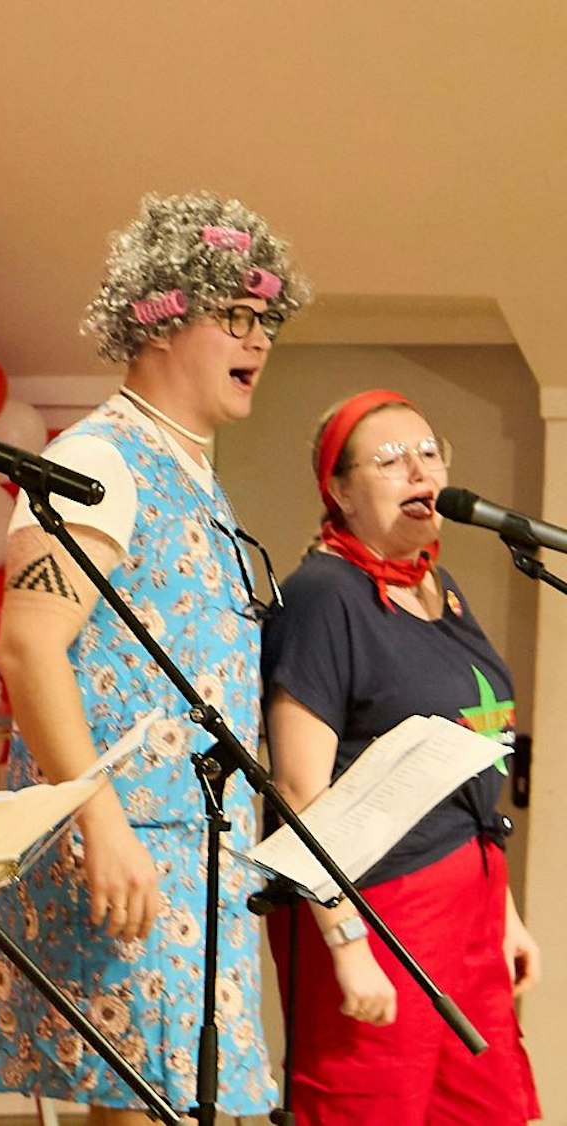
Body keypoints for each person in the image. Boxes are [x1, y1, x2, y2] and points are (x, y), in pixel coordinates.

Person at [0, 192, 308, 1123]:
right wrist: (103, 825)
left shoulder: (189, 470)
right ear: (161, 318)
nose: (261, 340)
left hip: (199, 855)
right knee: (139, 1109)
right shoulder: (104, 460)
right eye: (236, 317)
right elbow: (27, 645)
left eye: (267, 319)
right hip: (130, 848)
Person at [259, 389, 540, 1124]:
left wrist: (501, 913)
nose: (417, 468)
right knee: (371, 1107)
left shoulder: (437, 590)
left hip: (469, 901)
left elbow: (465, 768)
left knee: (485, 1108)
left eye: (429, 452)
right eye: (388, 460)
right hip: (382, 908)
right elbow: (296, 787)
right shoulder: (323, 596)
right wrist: (347, 942)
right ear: (340, 492)